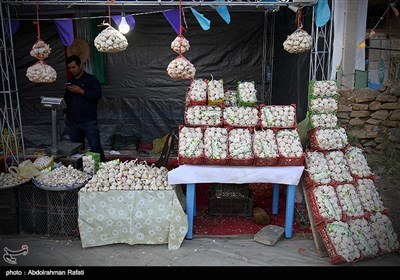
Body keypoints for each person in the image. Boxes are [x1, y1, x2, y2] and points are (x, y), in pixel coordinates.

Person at [64, 55, 105, 162]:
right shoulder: (70, 81)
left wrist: (81, 91)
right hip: (72, 121)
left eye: (74, 67)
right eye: (70, 68)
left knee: (95, 147)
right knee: (76, 149)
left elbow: (97, 95)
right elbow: (66, 99)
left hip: (88, 120)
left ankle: (101, 169)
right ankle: (80, 171)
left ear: (80, 65)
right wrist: (65, 113)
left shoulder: (91, 79)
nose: (72, 70)